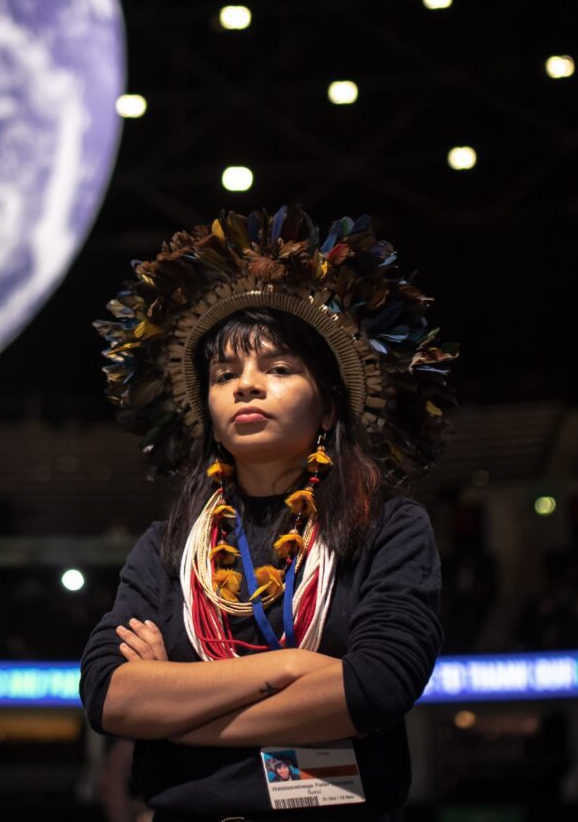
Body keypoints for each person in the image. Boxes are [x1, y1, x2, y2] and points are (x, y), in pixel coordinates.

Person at [81, 204, 459, 821]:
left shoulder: (386, 525)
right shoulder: (168, 545)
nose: (246, 386)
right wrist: (288, 669)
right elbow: (107, 695)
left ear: (330, 407)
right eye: (225, 373)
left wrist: (177, 720)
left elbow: (376, 687)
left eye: (279, 368)